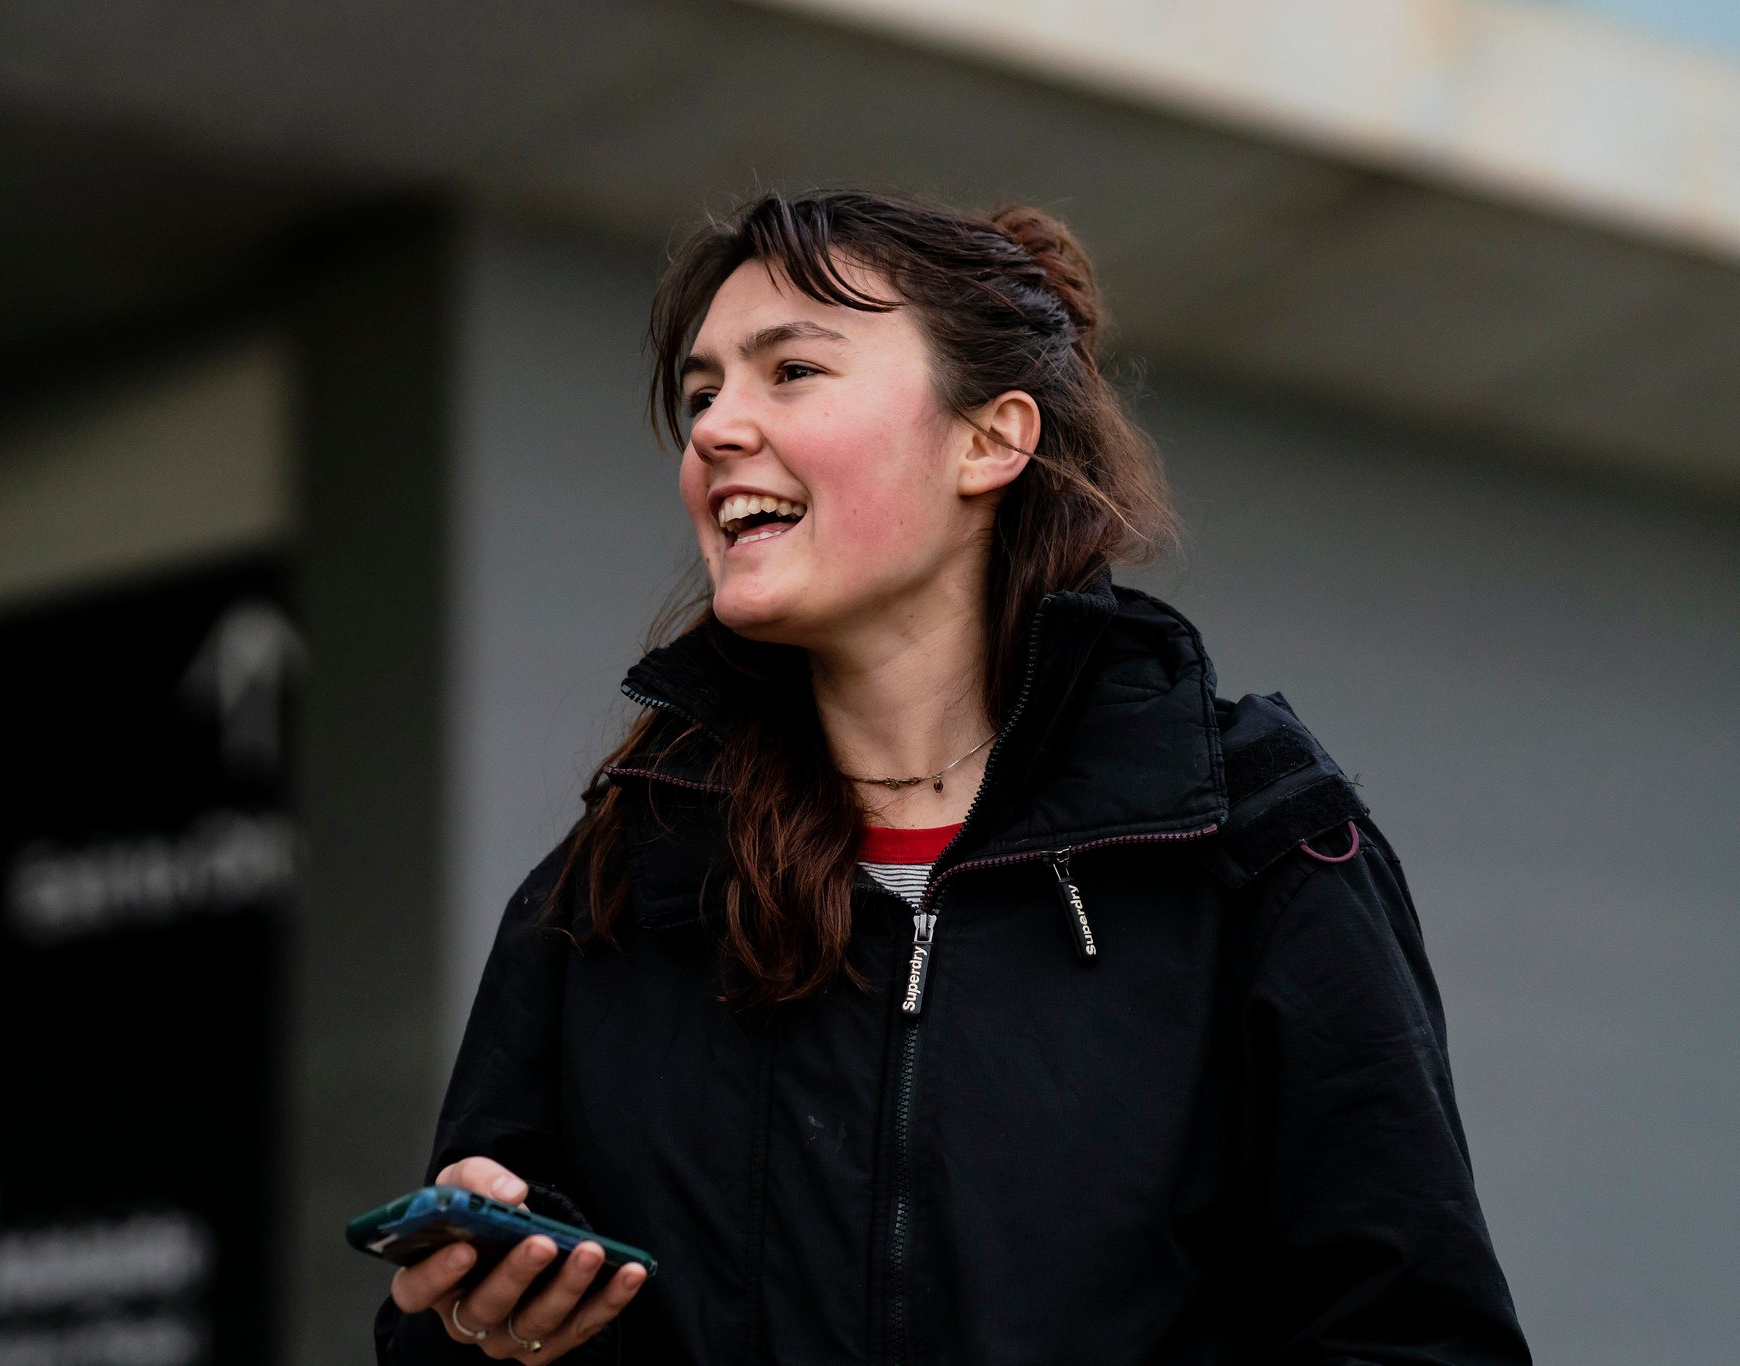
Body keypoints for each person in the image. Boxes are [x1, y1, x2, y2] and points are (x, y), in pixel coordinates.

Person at [373, 188, 1530, 1364]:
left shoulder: (1249, 841)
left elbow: (1415, 1338)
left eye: (790, 372)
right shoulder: (623, 876)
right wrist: (479, 1325)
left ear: (989, 440)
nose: (715, 429)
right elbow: (431, 1341)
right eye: (701, 392)